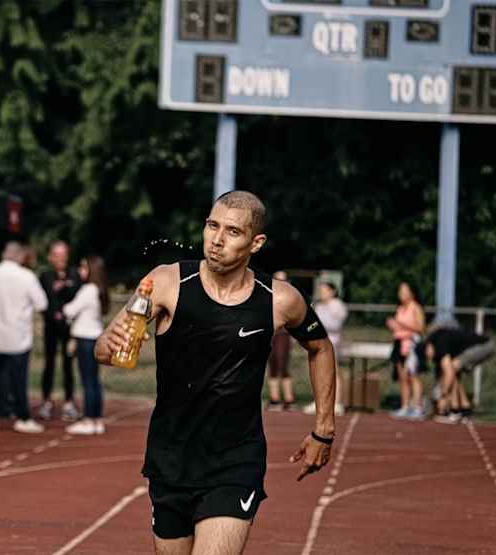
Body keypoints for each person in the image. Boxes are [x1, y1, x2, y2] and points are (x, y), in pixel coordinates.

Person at [95, 191, 337, 554]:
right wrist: (108, 346)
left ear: (256, 242)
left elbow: (321, 347)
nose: (217, 240)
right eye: (212, 226)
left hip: (234, 461)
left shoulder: (279, 299)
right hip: (171, 457)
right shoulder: (165, 282)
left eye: (233, 232)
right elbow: (104, 350)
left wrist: (324, 429)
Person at [0, 241, 48, 434]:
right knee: (19, 379)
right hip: (18, 336)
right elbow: (42, 303)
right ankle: (22, 416)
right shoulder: (26, 277)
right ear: (20, 256)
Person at [63, 256, 110, 435]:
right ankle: (96, 419)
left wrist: (64, 309)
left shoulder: (88, 290)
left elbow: (70, 309)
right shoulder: (98, 289)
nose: (80, 271)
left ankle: (89, 419)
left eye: (84, 267)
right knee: (94, 381)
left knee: (87, 381)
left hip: (85, 339)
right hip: (95, 337)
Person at [38, 240, 82, 421]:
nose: (61, 258)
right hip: (51, 327)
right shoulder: (45, 276)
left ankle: (69, 402)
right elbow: (42, 301)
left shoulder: (74, 275)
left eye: (64, 254)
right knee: (49, 364)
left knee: (68, 365)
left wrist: (66, 286)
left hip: (69, 328)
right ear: (50, 257)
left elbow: (78, 295)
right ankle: (46, 401)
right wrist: (52, 313)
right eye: (57, 255)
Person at [424, 326, 495, 424]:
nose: (429, 358)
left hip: (485, 345)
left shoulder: (439, 342)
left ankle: (455, 411)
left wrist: (443, 396)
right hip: (483, 345)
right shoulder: (436, 344)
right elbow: (442, 376)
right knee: (454, 373)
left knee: (452, 369)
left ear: (428, 346)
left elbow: (448, 372)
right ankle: (465, 410)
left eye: (427, 355)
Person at [303, 281, 347, 416]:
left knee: (334, 371)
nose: (322, 293)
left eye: (325, 290)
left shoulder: (337, 305)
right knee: (318, 372)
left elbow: (335, 324)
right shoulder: (319, 306)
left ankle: (337, 403)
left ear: (332, 291)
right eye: (320, 290)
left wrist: (318, 323)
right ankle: (319, 402)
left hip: (332, 342)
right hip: (317, 342)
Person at [386, 281, 426, 419]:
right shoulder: (400, 308)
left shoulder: (416, 308)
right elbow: (399, 327)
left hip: (412, 344)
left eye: (404, 291)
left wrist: (401, 324)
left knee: (413, 376)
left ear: (412, 293)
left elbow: (421, 328)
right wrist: (392, 325)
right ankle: (405, 406)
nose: (401, 294)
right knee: (403, 377)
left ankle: (418, 407)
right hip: (399, 343)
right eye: (400, 291)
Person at [266, 271, 296, 411]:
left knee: (282, 365)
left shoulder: (290, 297)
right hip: (270, 334)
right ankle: (274, 399)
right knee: (272, 366)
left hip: (283, 333)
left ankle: (289, 399)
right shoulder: (267, 294)